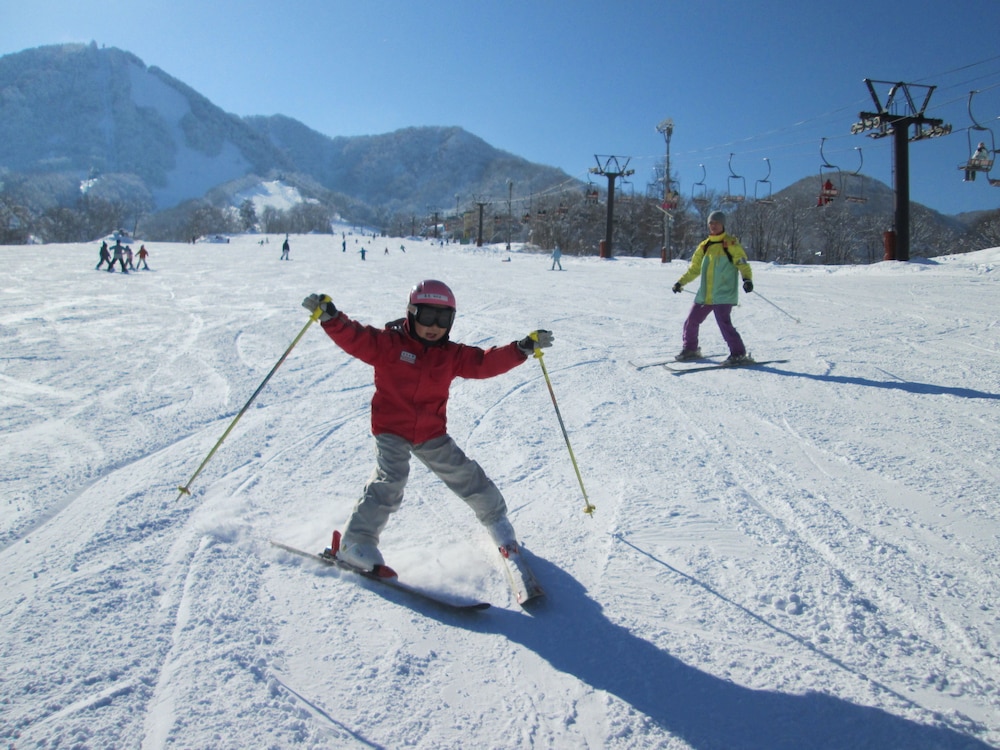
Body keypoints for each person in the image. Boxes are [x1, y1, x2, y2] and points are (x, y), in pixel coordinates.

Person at [301, 280, 554, 573]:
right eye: (426, 316)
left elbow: (484, 362)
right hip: (391, 429)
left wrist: (520, 349)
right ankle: (354, 543)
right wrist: (331, 318)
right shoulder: (388, 344)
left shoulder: (450, 354)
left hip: (430, 432)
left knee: (467, 475)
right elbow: (356, 337)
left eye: (443, 318)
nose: (434, 325)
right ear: (411, 313)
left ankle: (497, 522)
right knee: (391, 480)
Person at [672, 210, 753, 365]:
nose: (713, 226)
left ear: (723, 224)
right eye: (711, 223)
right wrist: (680, 282)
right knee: (691, 321)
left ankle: (739, 353)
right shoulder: (704, 246)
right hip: (705, 294)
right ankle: (690, 349)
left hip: (723, 293)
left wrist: (747, 279)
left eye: (716, 223)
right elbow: (694, 269)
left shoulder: (731, 243)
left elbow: (742, 264)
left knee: (723, 323)